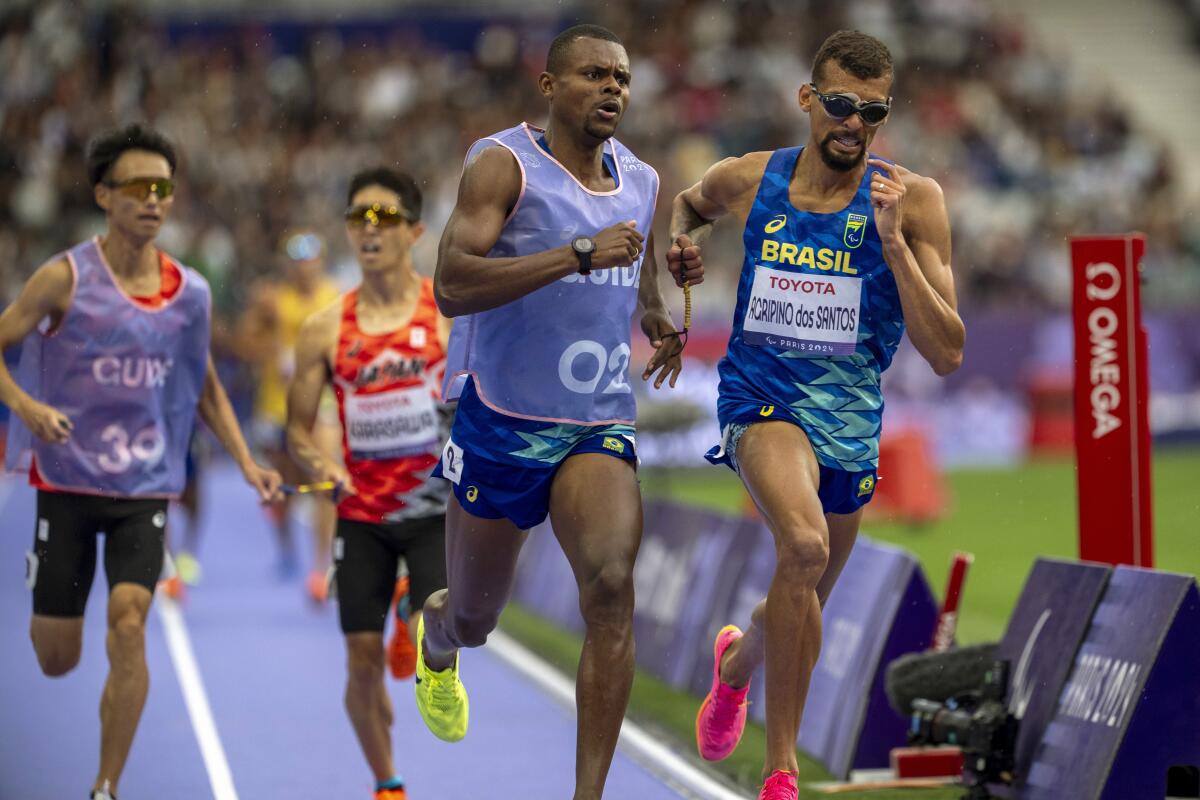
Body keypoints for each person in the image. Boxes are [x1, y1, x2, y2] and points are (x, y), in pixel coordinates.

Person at [669, 30, 965, 800]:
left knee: (803, 589)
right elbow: (688, 208)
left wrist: (896, 248)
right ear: (808, 100)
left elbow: (947, 352)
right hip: (759, 398)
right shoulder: (750, 179)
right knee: (801, 546)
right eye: (839, 105)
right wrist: (681, 251)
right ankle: (782, 772)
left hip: (849, 417)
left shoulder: (915, 200)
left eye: (873, 111)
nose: (853, 124)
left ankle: (735, 668)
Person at [418, 24, 698, 800]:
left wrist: (656, 319)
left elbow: (635, 276)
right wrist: (574, 254)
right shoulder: (502, 165)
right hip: (501, 419)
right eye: (594, 74)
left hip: (595, 422)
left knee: (611, 587)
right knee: (476, 618)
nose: (613, 88)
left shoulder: (642, 179)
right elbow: (451, 284)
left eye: (622, 77)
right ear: (550, 86)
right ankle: (437, 640)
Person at [0, 123, 282, 800]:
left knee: (130, 623)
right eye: (138, 187)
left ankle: (105, 785)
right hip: (66, 483)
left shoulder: (189, 293)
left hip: (143, 487)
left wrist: (246, 463)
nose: (154, 200)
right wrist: (27, 409)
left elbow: (206, 384)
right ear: (104, 194)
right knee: (57, 659)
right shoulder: (63, 278)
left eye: (164, 188)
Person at [287, 167, 452, 800]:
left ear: (415, 231)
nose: (369, 230)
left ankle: (418, 614)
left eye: (384, 219)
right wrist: (319, 464)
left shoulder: (448, 316)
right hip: (360, 515)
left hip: (436, 509)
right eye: (359, 218)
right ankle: (388, 783)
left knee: (446, 628)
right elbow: (299, 432)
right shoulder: (324, 329)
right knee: (359, 657)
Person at [236, 228, 342, 596]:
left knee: (326, 482)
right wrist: (269, 349)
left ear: (321, 263)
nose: (305, 270)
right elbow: (244, 342)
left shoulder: (335, 298)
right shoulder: (272, 300)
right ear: (288, 266)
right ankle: (285, 546)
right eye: (298, 263)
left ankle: (320, 567)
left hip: (319, 405)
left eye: (311, 262)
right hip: (275, 406)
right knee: (281, 488)